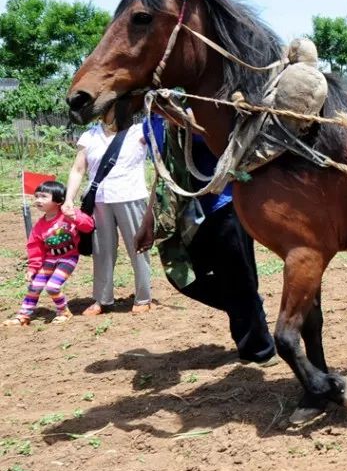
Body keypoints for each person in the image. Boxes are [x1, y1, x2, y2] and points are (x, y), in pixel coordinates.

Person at [134, 114, 276, 365]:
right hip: (185, 214)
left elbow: (227, 145)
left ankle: (260, 351)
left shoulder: (197, 105)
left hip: (225, 205)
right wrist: (148, 221)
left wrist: (187, 121)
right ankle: (250, 306)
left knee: (239, 279)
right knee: (181, 275)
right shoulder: (149, 122)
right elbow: (161, 173)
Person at [63, 116, 152, 315]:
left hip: (131, 196)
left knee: (138, 248)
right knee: (102, 251)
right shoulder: (90, 135)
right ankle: (102, 300)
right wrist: (69, 198)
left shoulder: (139, 131)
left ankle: (143, 297)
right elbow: (78, 169)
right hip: (99, 200)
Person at [4, 181, 94, 326]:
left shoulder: (69, 214)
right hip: (50, 259)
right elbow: (35, 248)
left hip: (68, 258)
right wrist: (33, 268)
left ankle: (63, 312)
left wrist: (75, 217)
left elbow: (89, 226)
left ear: (59, 200)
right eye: (37, 196)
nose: (38, 200)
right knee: (34, 286)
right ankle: (23, 315)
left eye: (44, 196)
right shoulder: (39, 226)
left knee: (53, 286)